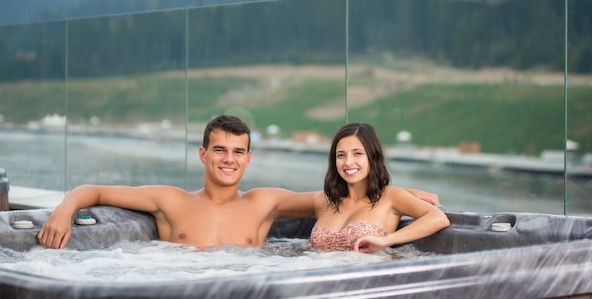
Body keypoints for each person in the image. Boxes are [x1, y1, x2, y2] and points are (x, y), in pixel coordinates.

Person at [37, 115, 441, 250]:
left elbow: (354, 194)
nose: (228, 160)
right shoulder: (169, 199)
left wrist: (402, 195)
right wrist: (63, 209)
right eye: (219, 150)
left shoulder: (264, 203)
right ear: (203, 154)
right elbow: (94, 190)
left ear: (249, 158)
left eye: (237, 152)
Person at [311, 123, 450, 253]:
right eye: (341, 155)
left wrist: (387, 240)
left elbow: (438, 217)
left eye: (357, 153)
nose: (348, 162)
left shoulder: (390, 196)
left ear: (373, 156)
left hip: (364, 276)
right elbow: (288, 201)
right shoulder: (326, 200)